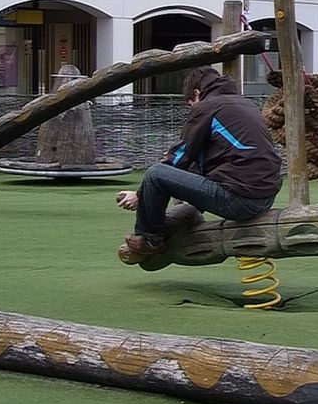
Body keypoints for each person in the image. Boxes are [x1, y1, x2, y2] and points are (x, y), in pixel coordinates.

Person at [116, 66, 282, 263]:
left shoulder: (207, 107)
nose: (191, 109)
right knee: (181, 175)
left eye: (190, 104)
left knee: (155, 174)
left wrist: (140, 195)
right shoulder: (245, 104)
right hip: (265, 196)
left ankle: (150, 240)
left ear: (197, 93)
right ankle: (181, 215)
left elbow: (179, 157)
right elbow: (205, 159)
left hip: (240, 199)